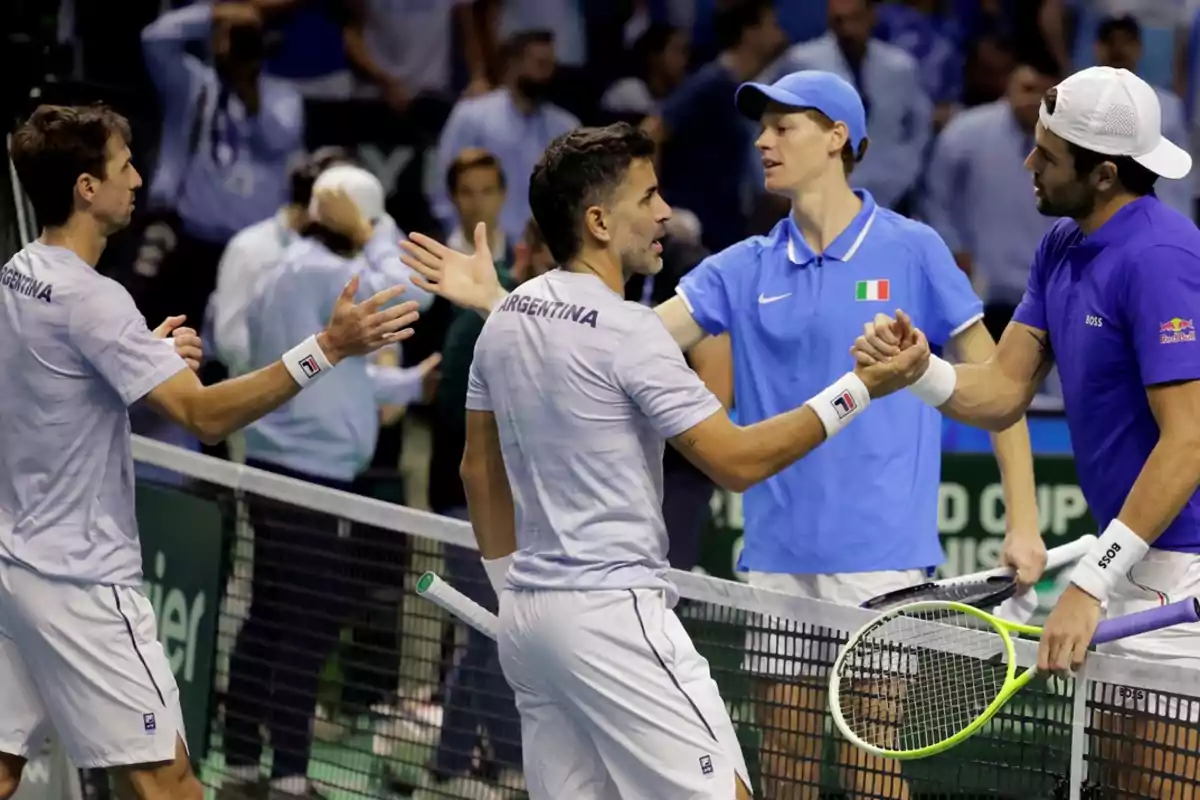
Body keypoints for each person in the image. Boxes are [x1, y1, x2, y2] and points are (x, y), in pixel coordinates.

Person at [400, 71, 1045, 800]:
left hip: (881, 554)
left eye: (783, 126)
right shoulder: (742, 267)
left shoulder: (914, 248)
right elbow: (604, 335)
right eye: (759, 128)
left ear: (838, 137)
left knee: (873, 768)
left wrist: (1023, 520)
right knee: (790, 770)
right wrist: (499, 301)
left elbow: (998, 391)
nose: (763, 142)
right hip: (775, 556)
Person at [0, 104, 420, 800]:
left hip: (14, 567)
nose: (138, 178)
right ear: (85, 187)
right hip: (81, 584)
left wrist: (143, 357)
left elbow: (56, 380)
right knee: (169, 783)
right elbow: (205, 415)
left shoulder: (21, 271)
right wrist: (329, 348)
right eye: (124, 165)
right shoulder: (95, 301)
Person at [855, 65, 1200, 799]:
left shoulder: (1163, 257)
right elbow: (1003, 389)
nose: (1027, 163)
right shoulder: (1062, 246)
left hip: (1189, 569)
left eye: (1046, 155)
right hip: (1138, 550)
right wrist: (921, 370)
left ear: (1104, 174)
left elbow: (1189, 441)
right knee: (1123, 781)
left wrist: (1091, 581)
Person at [222, 163, 438, 800]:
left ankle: (239, 761)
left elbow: (333, 377)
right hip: (306, 481)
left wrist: (406, 384)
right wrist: (374, 231)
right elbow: (410, 295)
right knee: (307, 624)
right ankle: (289, 773)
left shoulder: (286, 272)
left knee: (269, 615)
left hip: (278, 471)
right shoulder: (323, 271)